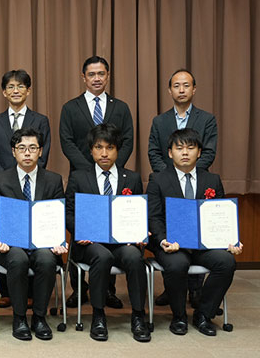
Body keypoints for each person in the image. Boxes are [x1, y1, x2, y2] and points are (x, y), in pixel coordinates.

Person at [146, 128, 242, 336]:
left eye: (191, 148)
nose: (185, 153)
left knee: (226, 262)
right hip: (172, 243)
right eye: (179, 148)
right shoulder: (158, 179)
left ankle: (203, 314)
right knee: (177, 263)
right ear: (170, 153)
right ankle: (179, 316)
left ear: (199, 152)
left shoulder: (212, 180)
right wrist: (163, 240)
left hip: (203, 243)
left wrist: (230, 240)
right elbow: (153, 217)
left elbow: (221, 214)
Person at [59, 56, 134, 309]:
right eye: (92, 74)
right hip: (83, 180)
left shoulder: (121, 107)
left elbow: (127, 141)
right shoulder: (71, 107)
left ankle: (108, 291)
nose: (97, 78)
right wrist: (88, 169)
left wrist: (110, 165)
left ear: (108, 75)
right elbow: (66, 141)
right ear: (84, 77)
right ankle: (78, 289)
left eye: (101, 73)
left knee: (111, 234)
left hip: (112, 178)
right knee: (83, 235)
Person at [65, 124, 150, 342]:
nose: (104, 153)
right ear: (91, 150)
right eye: (98, 147)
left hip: (122, 243)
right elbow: (69, 213)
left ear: (118, 150)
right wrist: (80, 231)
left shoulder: (131, 178)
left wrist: (138, 233)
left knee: (134, 257)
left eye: (110, 147)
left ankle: (139, 315)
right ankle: (98, 315)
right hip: (88, 243)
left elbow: (137, 211)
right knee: (102, 256)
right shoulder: (79, 178)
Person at [0, 128, 66, 341]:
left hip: (44, 243)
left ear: (41, 151)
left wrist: (59, 240)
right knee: (18, 259)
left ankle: (39, 317)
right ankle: (19, 317)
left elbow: (59, 215)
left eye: (33, 148)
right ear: (13, 152)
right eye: (22, 148)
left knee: (47, 259)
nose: (27, 153)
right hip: (11, 244)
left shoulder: (53, 180)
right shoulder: (1, 180)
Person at [148, 69, 218, 307]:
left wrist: (190, 171)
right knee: (173, 239)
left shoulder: (207, 119)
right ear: (169, 90)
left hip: (196, 184)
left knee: (197, 233)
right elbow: (154, 153)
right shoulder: (159, 121)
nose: (181, 90)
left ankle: (196, 291)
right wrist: (171, 177)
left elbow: (207, 152)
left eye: (186, 85)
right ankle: (173, 289)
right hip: (169, 186)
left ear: (194, 89)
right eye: (176, 86)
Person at [0, 69, 52, 308]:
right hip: (6, 188)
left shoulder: (40, 120)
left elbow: (42, 155)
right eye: (11, 87)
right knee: (9, 238)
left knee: (36, 239)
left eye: (20, 86)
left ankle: (32, 293)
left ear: (28, 90)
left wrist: (28, 175)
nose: (15, 91)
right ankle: (8, 291)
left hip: (34, 186)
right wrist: (7, 180)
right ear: (4, 92)